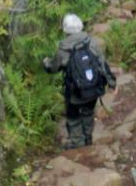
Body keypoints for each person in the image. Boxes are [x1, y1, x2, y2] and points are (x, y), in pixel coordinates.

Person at [43, 13, 116, 149]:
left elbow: (53, 67)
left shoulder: (64, 49)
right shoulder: (91, 42)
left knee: (73, 115)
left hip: (75, 91)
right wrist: (112, 83)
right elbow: (102, 64)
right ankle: (87, 139)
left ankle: (77, 143)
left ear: (65, 29)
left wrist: (45, 63)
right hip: (93, 89)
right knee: (88, 112)